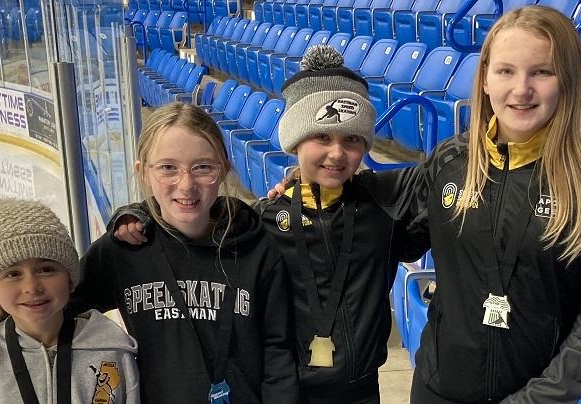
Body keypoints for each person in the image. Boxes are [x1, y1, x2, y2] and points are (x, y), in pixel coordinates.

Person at [111, 45, 428, 404]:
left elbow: (449, 172)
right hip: (282, 389)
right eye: (321, 137)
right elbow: (192, 217)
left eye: (352, 139)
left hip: (359, 392)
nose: (337, 153)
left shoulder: (384, 205)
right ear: (294, 140)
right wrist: (139, 214)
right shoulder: (262, 218)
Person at [0, 103, 300, 403]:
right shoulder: (124, 249)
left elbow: (277, 352)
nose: (186, 184)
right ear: (142, 172)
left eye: (202, 167)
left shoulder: (256, 246)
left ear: (224, 168)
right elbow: (54, 293)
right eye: (167, 167)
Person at [402, 6, 581, 402]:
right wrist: (309, 187)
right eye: (506, 71)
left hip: (533, 396)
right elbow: (390, 227)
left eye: (542, 72)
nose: (521, 89)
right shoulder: (452, 159)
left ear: (570, 81)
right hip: (436, 387)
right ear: (485, 82)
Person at [0, 198, 140, 404]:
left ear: (70, 278)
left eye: (46, 270)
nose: (31, 287)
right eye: (13, 274)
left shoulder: (113, 349)